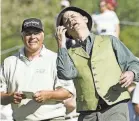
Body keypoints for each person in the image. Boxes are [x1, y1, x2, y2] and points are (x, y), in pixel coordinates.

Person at [55, 6, 139, 121]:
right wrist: (61, 45)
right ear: (66, 31)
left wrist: (131, 73)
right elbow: (65, 74)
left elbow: (134, 63)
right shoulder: (68, 53)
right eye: (66, 21)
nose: (70, 19)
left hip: (115, 107)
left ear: (85, 19)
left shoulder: (110, 40)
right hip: (88, 114)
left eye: (73, 16)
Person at [0, 18, 75, 121]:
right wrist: (10, 97)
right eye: (28, 33)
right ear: (22, 36)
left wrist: (48, 95)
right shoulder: (9, 62)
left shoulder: (56, 59)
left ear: (42, 35)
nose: (32, 37)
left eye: (36, 33)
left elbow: (67, 92)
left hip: (53, 118)